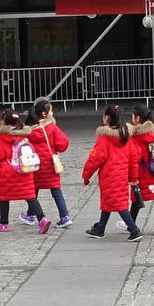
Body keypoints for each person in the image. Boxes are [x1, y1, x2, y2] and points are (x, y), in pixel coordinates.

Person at [81, 104, 140, 240]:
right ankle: (100, 228)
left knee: (119, 205)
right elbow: (133, 159)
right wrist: (133, 177)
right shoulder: (127, 137)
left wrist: (86, 175)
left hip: (109, 177)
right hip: (122, 176)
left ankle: (134, 230)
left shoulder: (105, 138)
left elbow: (94, 159)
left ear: (107, 118)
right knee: (109, 202)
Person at [0, 106, 48, 234]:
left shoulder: (2, 136)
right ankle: (42, 219)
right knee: (30, 196)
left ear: (3, 122)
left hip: (9, 171)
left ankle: (4, 223)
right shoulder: (23, 134)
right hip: (25, 169)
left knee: (4, 197)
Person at [30, 98, 73, 227]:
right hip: (50, 165)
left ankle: (30, 213)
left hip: (36, 165)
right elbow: (62, 144)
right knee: (56, 190)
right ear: (44, 114)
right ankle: (64, 216)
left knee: (33, 190)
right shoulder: (52, 128)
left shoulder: (30, 130)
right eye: (51, 111)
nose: (53, 113)